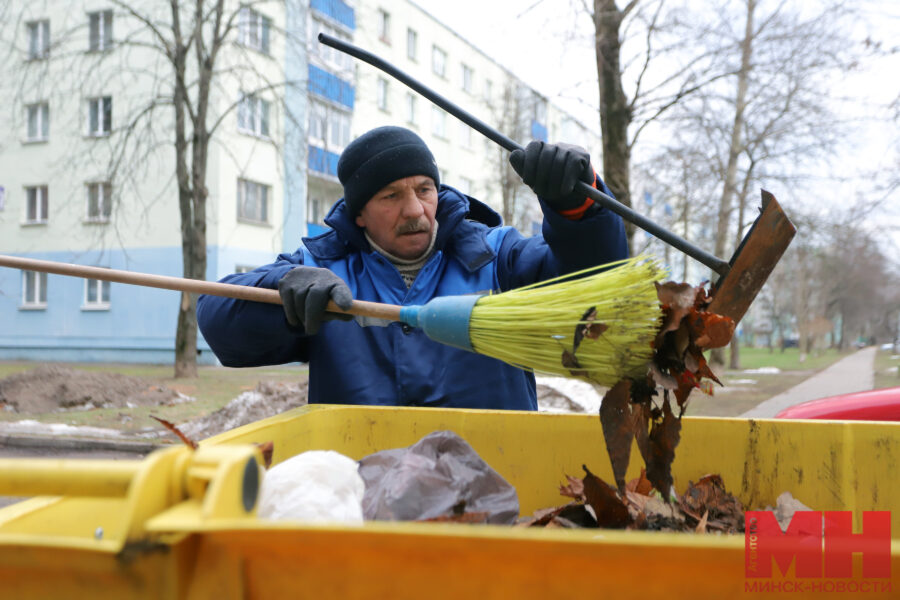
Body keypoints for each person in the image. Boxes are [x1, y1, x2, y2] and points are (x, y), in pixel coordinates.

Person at [197, 126, 627, 410]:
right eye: (390, 196)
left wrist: (580, 206)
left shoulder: (497, 258)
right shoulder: (322, 267)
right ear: (359, 213)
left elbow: (595, 284)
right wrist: (283, 288)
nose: (415, 211)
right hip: (364, 499)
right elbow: (219, 324)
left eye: (424, 189)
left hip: (495, 492)